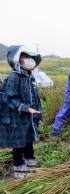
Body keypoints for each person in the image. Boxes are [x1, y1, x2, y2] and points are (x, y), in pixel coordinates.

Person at [0, 46, 42, 178]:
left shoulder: (29, 77)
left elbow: (35, 97)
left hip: (28, 116)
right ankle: (19, 171)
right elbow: (9, 97)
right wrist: (24, 107)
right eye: (25, 57)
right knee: (18, 143)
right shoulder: (14, 77)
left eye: (30, 57)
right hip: (17, 117)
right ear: (18, 60)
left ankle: (31, 166)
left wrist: (37, 114)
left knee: (28, 139)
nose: (29, 60)